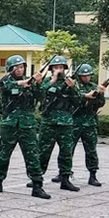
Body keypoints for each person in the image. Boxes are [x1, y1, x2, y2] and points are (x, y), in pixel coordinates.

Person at [0, 55, 50, 199]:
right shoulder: (6, 80)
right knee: (4, 154)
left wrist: (38, 83)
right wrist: (21, 84)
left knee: (32, 155)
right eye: (16, 67)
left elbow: (42, 97)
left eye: (22, 67)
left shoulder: (30, 82)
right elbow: (2, 86)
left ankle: (37, 185)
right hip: (9, 124)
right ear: (10, 69)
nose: (19, 69)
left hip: (27, 124)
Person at [37, 56, 82, 192]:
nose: (59, 70)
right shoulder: (46, 82)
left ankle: (65, 178)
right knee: (43, 151)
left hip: (65, 123)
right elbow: (40, 94)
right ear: (51, 69)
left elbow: (78, 101)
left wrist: (73, 88)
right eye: (56, 68)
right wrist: (52, 81)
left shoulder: (70, 83)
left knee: (66, 152)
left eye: (61, 67)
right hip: (49, 122)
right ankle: (37, 178)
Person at [70, 63, 106, 187]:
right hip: (75, 121)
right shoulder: (74, 86)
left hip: (89, 122)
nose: (86, 78)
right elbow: (72, 99)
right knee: (68, 149)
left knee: (91, 150)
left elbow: (100, 104)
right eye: (84, 76)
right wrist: (85, 97)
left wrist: (100, 94)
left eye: (88, 75)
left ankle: (93, 175)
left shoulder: (94, 86)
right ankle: (64, 172)